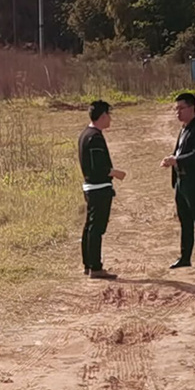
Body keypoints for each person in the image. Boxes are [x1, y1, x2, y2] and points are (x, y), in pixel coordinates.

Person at [161, 92, 195, 271]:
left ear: (192, 108)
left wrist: (177, 160)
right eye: (176, 109)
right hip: (181, 181)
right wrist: (171, 160)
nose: (178, 112)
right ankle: (185, 257)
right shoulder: (184, 128)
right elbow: (180, 152)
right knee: (185, 220)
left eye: (181, 108)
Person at [78, 100, 126, 279]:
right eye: (109, 115)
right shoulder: (95, 137)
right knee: (96, 228)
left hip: (91, 187)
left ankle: (88, 264)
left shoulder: (85, 134)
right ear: (103, 116)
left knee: (90, 227)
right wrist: (116, 173)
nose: (110, 119)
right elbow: (98, 167)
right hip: (98, 188)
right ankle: (95, 267)